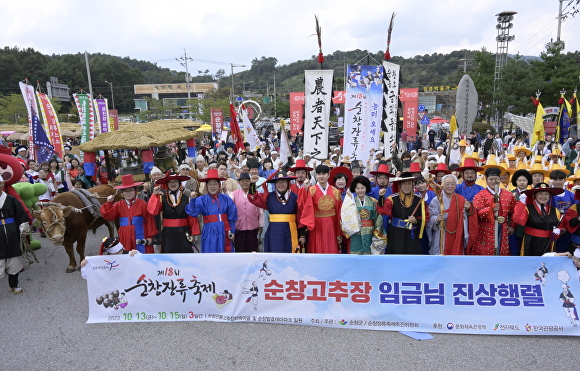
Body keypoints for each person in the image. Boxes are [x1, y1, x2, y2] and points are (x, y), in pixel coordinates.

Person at [248, 170, 304, 253]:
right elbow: (254, 198)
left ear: (288, 183)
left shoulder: (295, 197)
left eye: (283, 182)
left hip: (291, 231)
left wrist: (302, 234)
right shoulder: (269, 197)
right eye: (278, 182)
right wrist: (252, 184)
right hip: (274, 232)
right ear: (274, 184)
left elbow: (301, 216)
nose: (281, 184)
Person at [100, 174, 158, 253]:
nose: (128, 193)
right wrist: (109, 203)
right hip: (125, 236)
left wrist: (150, 237)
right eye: (125, 190)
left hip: (141, 234)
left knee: (142, 259)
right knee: (126, 258)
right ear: (122, 193)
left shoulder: (143, 204)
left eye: (131, 190)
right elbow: (109, 216)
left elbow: (149, 220)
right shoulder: (118, 205)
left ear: (135, 190)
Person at [185, 169, 237, 253]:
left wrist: (233, 230)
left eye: (215, 184)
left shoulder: (226, 199)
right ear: (206, 186)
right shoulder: (201, 199)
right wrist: (193, 200)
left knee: (225, 254)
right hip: (209, 231)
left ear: (219, 185)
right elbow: (193, 213)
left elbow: (232, 216)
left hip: (224, 230)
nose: (212, 186)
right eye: (210, 184)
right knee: (210, 253)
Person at [147, 172, 200, 253]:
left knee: (185, 256)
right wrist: (154, 194)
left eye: (175, 181)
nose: (173, 184)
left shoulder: (187, 199)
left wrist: (193, 234)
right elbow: (153, 211)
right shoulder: (162, 198)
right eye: (170, 182)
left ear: (179, 183)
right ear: (167, 184)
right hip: (168, 234)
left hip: (184, 233)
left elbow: (192, 217)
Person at [377, 172, 429, 254]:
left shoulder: (419, 200)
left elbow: (425, 217)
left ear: (413, 185)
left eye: (409, 184)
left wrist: (416, 220)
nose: (406, 186)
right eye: (404, 184)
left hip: (412, 234)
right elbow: (383, 211)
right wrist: (381, 197)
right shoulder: (392, 199)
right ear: (399, 185)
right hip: (396, 234)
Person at [470, 167, 517, 255]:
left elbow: (514, 211)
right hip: (485, 229)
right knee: (486, 252)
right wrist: (491, 209)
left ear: (499, 180)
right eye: (491, 179)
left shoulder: (509, 195)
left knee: (502, 251)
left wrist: (512, 225)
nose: (493, 182)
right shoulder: (480, 195)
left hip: (503, 228)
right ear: (486, 180)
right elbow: (476, 213)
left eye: (496, 179)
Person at [427, 174, 476, 255]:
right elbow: (431, 217)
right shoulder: (436, 200)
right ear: (442, 184)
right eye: (447, 184)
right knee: (440, 256)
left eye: (453, 184)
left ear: (456, 185)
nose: (450, 186)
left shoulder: (461, 199)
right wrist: (436, 219)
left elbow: (467, 216)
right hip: (441, 232)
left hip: (457, 232)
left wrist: (468, 208)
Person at [300, 164, 343, 254]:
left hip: (331, 225)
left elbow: (339, 213)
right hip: (316, 225)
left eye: (324, 174)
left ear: (329, 175)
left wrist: (339, 233)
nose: (321, 176)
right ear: (316, 175)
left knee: (331, 248)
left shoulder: (335, 191)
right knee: (316, 248)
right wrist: (305, 190)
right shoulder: (311, 190)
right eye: (319, 174)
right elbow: (303, 207)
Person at [512, 182, 562, 256]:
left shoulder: (555, 210)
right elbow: (519, 220)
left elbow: (561, 224)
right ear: (535, 195)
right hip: (530, 241)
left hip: (548, 242)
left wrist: (559, 230)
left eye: (546, 194)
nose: (543, 196)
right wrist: (521, 204)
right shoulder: (528, 208)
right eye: (540, 194)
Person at [0, 179, 32, 294]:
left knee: (14, 260)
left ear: (2, 184)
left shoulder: (11, 199)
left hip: (12, 232)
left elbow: (20, 214)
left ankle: (13, 286)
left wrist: (23, 225)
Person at [344, 176, 385, 254]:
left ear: (366, 188)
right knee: (356, 256)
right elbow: (347, 218)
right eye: (358, 188)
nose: (360, 190)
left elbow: (378, 218)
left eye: (362, 188)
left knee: (370, 256)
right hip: (356, 233)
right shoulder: (351, 202)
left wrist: (376, 233)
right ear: (354, 189)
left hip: (370, 233)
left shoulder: (373, 201)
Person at [230, 172, 264, 252]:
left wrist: (261, 224)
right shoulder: (234, 194)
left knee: (252, 249)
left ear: (250, 182)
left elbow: (260, 210)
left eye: (246, 181)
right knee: (240, 249)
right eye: (242, 181)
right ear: (239, 183)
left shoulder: (256, 194)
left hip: (253, 226)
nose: (244, 183)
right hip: (239, 226)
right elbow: (230, 209)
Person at [509, 169, 533, 255]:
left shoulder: (532, 195)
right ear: (516, 181)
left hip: (528, 225)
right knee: (514, 248)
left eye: (524, 180)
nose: (522, 182)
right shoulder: (510, 194)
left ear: (528, 182)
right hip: (514, 226)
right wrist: (511, 225)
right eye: (519, 180)